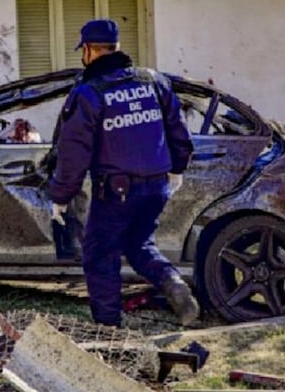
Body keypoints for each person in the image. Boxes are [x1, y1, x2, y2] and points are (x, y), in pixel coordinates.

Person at [47, 19, 199, 327]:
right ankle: (173, 282)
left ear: (89, 51)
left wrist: (60, 195)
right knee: (139, 244)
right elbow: (178, 132)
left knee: (100, 256)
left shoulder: (89, 94)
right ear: (116, 47)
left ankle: (108, 328)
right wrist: (177, 169)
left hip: (116, 191)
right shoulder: (154, 81)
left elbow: (73, 152)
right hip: (157, 187)